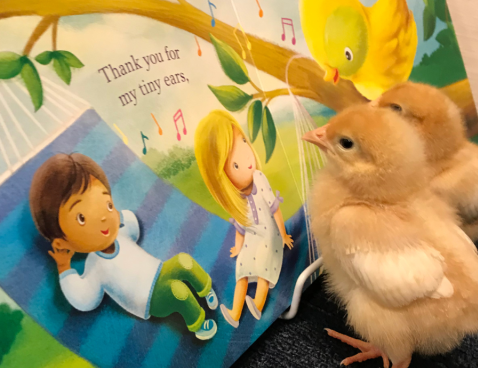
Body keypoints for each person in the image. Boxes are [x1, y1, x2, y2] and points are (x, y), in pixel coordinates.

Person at [29, 152, 219, 340]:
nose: (103, 217)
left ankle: (205, 290)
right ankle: (199, 324)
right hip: (149, 299)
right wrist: (64, 268)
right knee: (178, 292)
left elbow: (132, 227)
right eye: (82, 218)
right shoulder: (96, 266)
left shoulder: (120, 234)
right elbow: (85, 300)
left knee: (183, 262)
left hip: (160, 271)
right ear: (62, 241)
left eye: (107, 204)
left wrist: (118, 215)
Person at [195, 110, 294, 327]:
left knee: (263, 266)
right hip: (252, 238)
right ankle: (235, 312)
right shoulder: (236, 199)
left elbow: (274, 208)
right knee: (242, 267)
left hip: (269, 236)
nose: (247, 161)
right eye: (235, 165)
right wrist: (238, 246)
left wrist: (284, 233)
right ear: (222, 179)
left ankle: (258, 305)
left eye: (244, 141)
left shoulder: (259, 179)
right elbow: (241, 227)